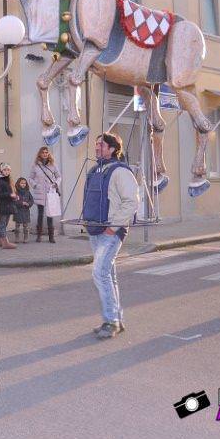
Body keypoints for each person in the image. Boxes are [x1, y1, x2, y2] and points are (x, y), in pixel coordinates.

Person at [82, 133, 139, 340]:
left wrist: (112, 228)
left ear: (112, 149)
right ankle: (117, 319)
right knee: (108, 274)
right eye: (96, 144)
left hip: (110, 232)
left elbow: (131, 202)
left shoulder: (121, 172)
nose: (97, 147)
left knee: (99, 273)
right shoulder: (96, 169)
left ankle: (110, 322)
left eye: (101, 144)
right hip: (95, 230)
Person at [30, 146, 61, 243]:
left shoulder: (52, 165)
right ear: (40, 154)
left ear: (48, 154)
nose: (45, 154)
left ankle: (51, 237)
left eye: (46, 152)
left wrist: (56, 184)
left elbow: (59, 176)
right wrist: (35, 185)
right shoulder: (35, 166)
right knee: (40, 214)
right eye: (43, 152)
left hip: (50, 193)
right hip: (40, 193)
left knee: (50, 214)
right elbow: (30, 178)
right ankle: (39, 236)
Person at [0, 163, 18, 249]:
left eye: (8, 170)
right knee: (3, 224)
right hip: (3, 206)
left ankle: (2, 240)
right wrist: (10, 195)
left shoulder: (8, 180)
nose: (7, 172)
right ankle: (5, 242)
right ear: (1, 171)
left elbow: (10, 192)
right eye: (5, 170)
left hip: (8, 205)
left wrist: (14, 196)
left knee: (5, 223)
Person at [13, 176, 35, 243]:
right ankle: (17, 238)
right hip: (18, 211)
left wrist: (28, 204)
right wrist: (21, 203)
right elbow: (14, 201)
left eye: (24, 183)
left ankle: (26, 238)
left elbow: (32, 200)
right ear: (18, 184)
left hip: (26, 211)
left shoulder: (27, 192)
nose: (23, 184)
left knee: (26, 226)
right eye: (22, 183)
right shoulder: (16, 192)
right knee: (17, 226)